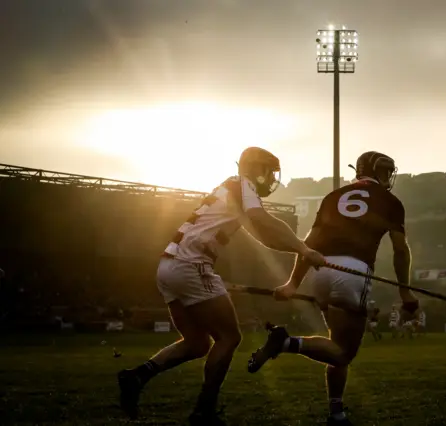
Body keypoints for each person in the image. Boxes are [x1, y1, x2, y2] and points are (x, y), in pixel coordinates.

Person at [116, 147, 326, 426]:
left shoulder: (230, 191)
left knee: (197, 342)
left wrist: (301, 252)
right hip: (193, 265)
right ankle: (204, 412)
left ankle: (137, 376)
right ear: (255, 169)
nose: (271, 179)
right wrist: (304, 247)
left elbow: (264, 236)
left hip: (168, 266)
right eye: (269, 172)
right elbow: (263, 220)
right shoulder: (243, 185)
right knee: (229, 338)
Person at [247, 151, 418, 426]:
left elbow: (310, 243)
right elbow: (401, 250)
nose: (388, 177)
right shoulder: (391, 202)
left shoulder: (332, 197)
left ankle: (336, 413)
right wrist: (405, 292)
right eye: (385, 171)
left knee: (334, 345)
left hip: (320, 272)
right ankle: (286, 343)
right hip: (354, 273)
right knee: (344, 352)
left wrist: (293, 283)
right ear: (374, 171)